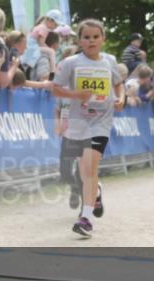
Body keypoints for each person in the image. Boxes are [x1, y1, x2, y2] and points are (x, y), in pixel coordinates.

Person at [52, 20, 125, 238]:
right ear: (79, 40)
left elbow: (118, 84)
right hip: (77, 123)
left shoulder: (110, 61)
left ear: (103, 38)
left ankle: (85, 219)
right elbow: (55, 89)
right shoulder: (71, 63)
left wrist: (121, 98)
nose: (91, 41)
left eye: (95, 37)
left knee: (89, 167)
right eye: (86, 37)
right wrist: (76, 95)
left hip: (100, 122)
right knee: (84, 172)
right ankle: (97, 191)